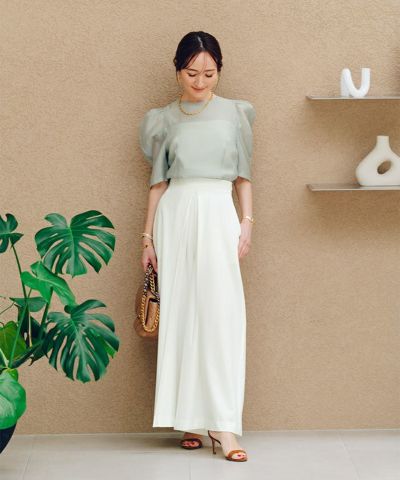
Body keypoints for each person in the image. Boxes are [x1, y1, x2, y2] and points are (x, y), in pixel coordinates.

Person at [139, 31, 255, 462]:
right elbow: (158, 182)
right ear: (177, 72)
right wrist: (147, 237)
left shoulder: (236, 113)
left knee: (221, 316)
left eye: (209, 73)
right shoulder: (163, 119)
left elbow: (243, 176)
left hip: (218, 211)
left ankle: (223, 425)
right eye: (192, 73)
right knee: (183, 315)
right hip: (176, 215)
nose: (200, 82)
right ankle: (189, 419)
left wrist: (246, 222)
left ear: (219, 71)